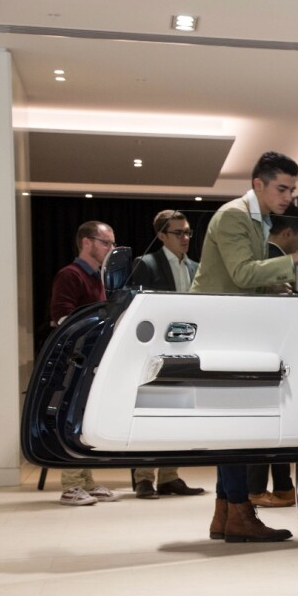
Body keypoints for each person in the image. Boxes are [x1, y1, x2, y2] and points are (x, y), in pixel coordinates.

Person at [190, 151, 298, 542]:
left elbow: (244, 277)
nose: (288, 197)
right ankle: (237, 513)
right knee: (235, 426)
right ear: (258, 184)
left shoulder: (257, 219)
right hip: (222, 328)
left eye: (291, 189)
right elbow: (241, 272)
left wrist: (273, 285)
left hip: (231, 326)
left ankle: (226, 514)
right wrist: (296, 258)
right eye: (282, 188)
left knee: (231, 426)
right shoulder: (236, 215)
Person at [126, 210, 206, 499]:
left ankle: (170, 476)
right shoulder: (146, 263)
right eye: (178, 233)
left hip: (187, 349)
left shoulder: (197, 267)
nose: (185, 238)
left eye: (187, 232)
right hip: (153, 350)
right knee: (149, 412)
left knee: (179, 412)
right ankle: (144, 477)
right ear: (161, 235)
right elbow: (136, 308)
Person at [48, 221, 120, 506]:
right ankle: (71, 485)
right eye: (106, 243)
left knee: (82, 420)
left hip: (88, 358)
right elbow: (61, 317)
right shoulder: (71, 275)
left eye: (113, 243)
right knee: (70, 420)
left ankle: (84, 481)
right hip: (73, 360)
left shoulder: (97, 278)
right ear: (87, 243)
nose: (111, 249)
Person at [246, 210, 298, 508]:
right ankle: (256, 489)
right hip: (265, 351)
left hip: (268, 351)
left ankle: (283, 486)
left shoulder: (265, 256)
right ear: (288, 233)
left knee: (276, 422)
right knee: (264, 423)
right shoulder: (271, 260)